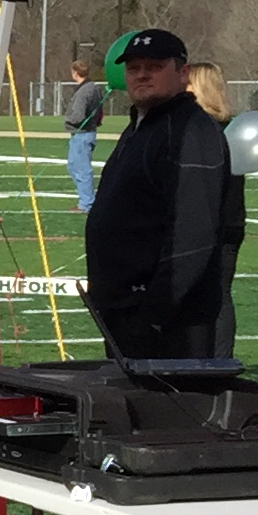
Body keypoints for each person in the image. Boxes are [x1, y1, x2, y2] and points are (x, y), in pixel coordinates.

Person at [82, 28, 240, 360]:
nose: (142, 75)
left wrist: (154, 314)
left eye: (154, 67)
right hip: (125, 309)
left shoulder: (190, 131)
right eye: (134, 68)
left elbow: (193, 233)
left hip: (168, 322)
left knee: (167, 396)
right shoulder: (142, 126)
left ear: (183, 73)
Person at [188, 63, 248, 354]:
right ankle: (214, 359)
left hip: (214, 223)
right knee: (217, 295)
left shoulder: (206, 129)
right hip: (228, 220)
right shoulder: (228, 128)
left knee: (216, 295)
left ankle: (217, 360)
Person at [62, 50, 107, 212]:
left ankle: (87, 203)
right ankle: (85, 200)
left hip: (82, 134)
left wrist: (68, 120)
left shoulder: (83, 91)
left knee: (81, 170)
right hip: (86, 133)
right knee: (73, 166)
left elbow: (78, 115)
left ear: (75, 72)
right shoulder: (94, 88)